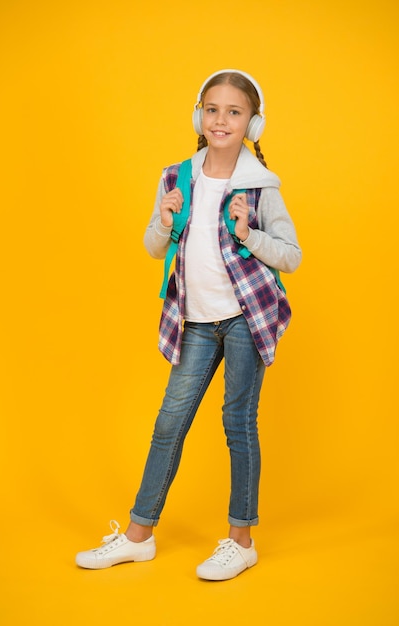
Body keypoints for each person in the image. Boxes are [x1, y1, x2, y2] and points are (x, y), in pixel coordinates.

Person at [76, 69, 302, 581]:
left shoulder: (260, 188)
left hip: (246, 318)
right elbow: (155, 248)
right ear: (198, 115)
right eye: (212, 109)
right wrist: (162, 219)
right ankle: (139, 536)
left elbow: (292, 256)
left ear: (253, 124)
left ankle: (240, 539)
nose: (221, 120)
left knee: (237, 423)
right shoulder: (176, 177)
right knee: (168, 424)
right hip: (195, 321)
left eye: (234, 112)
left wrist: (249, 234)